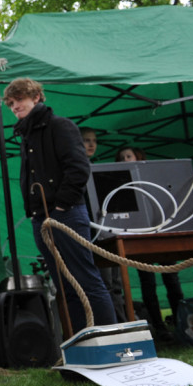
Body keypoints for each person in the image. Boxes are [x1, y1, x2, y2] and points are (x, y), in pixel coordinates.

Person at [5, 78, 116, 333]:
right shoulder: (26, 135)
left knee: (86, 280)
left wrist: (61, 208)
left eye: (19, 99)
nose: (14, 106)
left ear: (36, 97)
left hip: (66, 214)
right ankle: (85, 342)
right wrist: (36, 214)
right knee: (66, 288)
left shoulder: (60, 126)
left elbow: (78, 169)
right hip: (42, 218)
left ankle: (110, 341)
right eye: (10, 103)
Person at [115, 146, 181, 340]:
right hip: (139, 238)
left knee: (172, 278)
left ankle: (181, 322)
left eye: (128, 156)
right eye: (122, 158)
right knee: (148, 282)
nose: (125, 160)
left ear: (138, 157)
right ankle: (159, 327)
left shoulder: (152, 178)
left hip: (161, 235)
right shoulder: (120, 185)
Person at [79, 126, 128, 323]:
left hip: (108, 229)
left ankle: (122, 323)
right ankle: (112, 325)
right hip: (93, 233)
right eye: (86, 140)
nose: (91, 144)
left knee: (115, 283)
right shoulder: (76, 168)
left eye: (94, 140)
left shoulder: (97, 169)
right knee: (105, 282)